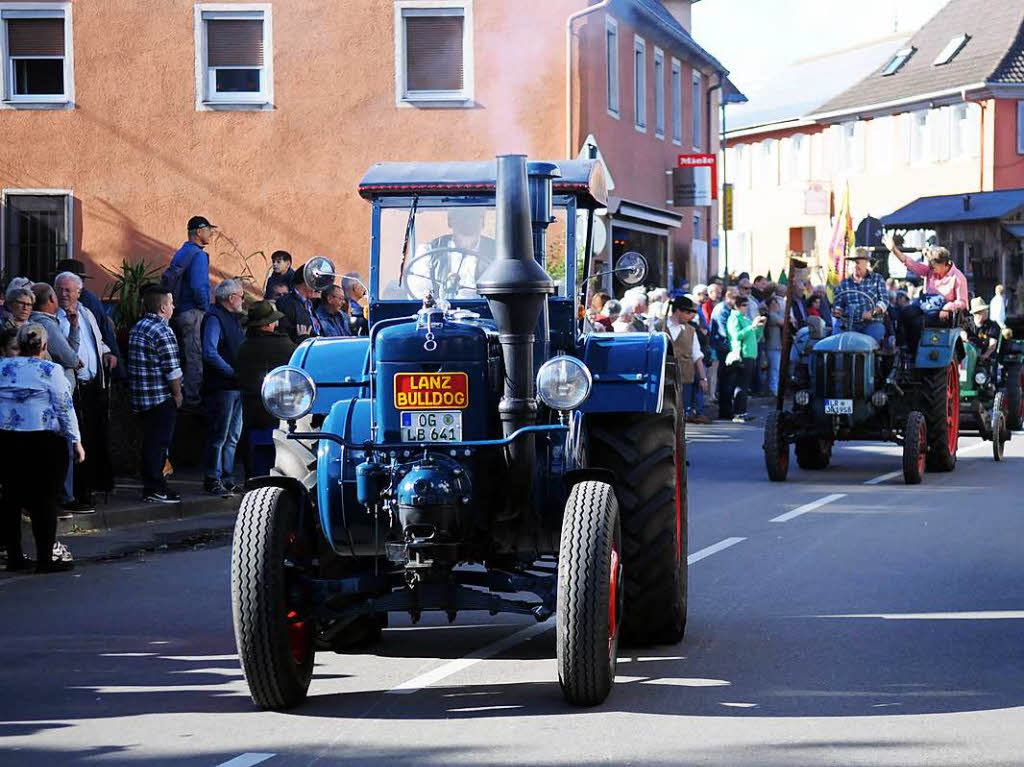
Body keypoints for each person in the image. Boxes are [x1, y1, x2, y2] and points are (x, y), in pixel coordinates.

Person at [0, 323, 82, 573]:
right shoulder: (51, 370)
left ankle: (14, 556)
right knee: (45, 500)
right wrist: (76, 440)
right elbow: (64, 408)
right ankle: (45, 557)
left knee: (11, 498)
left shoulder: (3, 367)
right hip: (45, 440)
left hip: (8, 439)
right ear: (44, 346)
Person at [55, 271, 116, 513]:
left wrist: (108, 352)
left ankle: (91, 488)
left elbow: (97, 341)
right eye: (60, 289)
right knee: (76, 442)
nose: (64, 295)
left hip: (94, 386)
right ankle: (79, 494)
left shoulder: (87, 313)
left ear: (79, 292)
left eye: (69, 290)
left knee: (94, 438)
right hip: (73, 389)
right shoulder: (56, 318)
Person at [128, 287, 184, 504]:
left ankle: (152, 486)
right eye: (170, 303)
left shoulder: (138, 327)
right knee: (158, 444)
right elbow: (172, 369)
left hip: (141, 397)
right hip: (160, 397)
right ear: (162, 307)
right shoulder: (162, 330)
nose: (173, 307)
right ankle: (155, 487)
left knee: (150, 443)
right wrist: (178, 394)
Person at [235, 301, 296, 477]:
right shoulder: (285, 345)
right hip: (281, 413)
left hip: (251, 413)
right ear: (269, 324)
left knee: (252, 455)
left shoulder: (243, 347)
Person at [164, 216, 216, 409]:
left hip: (178, 311)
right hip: (192, 311)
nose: (211, 234)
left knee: (184, 355)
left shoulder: (182, 252)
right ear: (199, 231)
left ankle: (182, 393)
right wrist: (206, 308)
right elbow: (198, 286)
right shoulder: (199, 255)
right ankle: (192, 401)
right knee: (194, 356)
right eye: (209, 230)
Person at [201, 279, 246, 496]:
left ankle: (227, 477)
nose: (243, 300)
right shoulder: (214, 317)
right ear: (230, 298)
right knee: (219, 435)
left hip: (236, 385)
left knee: (232, 435)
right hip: (223, 386)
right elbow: (210, 352)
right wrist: (231, 372)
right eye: (241, 295)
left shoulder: (232, 318)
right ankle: (213, 477)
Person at [886, 236, 968, 353]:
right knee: (904, 313)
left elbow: (963, 302)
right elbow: (911, 264)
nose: (931, 269)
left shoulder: (958, 277)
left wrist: (948, 307)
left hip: (943, 315)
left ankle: (915, 353)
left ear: (944, 264)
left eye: (933, 267)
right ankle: (902, 347)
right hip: (927, 308)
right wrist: (894, 250)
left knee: (917, 323)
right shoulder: (930, 270)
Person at [410, 208, 497, 300]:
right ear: (450, 220)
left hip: (487, 313)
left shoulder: (498, 253)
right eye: (461, 215)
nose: (467, 220)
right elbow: (419, 294)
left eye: (473, 215)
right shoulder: (428, 252)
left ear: (483, 220)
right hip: (442, 312)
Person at [665, 296, 710, 424]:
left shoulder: (691, 331)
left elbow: (697, 356)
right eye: (688, 313)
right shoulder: (659, 327)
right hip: (664, 377)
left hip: (685, 378)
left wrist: (703, 378)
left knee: (682, 414)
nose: (691, 316)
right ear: (678, 311)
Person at [30, 283, 80, 390]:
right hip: (54, 392)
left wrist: (73, 326)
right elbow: (70, 360)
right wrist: (75, 361)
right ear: (52, 298)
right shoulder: (47, 324)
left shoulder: (39, 320)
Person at [832, 249, 889, 342]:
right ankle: (836, 355)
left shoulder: (877, 279)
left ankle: (870, 355)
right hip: (849, 324)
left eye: (858, 262)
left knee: (873, 337)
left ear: (866, 262)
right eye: (853, 262)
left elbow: (884, 301)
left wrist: (872, 312)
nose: (855, 265)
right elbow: (838, 304)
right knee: (837, 339)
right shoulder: (844, 283)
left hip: (871, 323)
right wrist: (838, 311)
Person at [727, 294, 766, 423]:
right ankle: (738, 413)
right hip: (742, 355)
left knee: (745, 385)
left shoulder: (745, 319)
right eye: (743, 305)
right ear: (736, 306)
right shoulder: (734, 319)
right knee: (741, 385)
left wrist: (760, 327)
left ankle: (742, 411)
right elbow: (736, 336)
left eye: (746, 305)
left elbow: (755, 336)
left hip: (750, 355)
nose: (746, 308)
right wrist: (752, 327)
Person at [276, 263, 323, 344]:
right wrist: (303, 339)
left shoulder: (310, 304)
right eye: (315, 283)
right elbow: (284, 334)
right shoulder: (287, 303)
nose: (318, 288)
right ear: (305, 282)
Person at [710, 287, 738, 419]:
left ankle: (727, 409)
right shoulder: (722, 310)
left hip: (725, 347)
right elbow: (723, 332)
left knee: (728, 381)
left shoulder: (727, 309)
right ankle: (725, 411)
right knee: (725, 381)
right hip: (723, 349)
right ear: (729, 297)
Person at [964, 297, 1001, 365]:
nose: (986, 312)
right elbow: (963, 336)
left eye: (986, 310)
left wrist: (984, 355)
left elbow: (992, 345)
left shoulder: (993, 325)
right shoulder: (966, 322)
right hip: (968, 357)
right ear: (976, 314)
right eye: (983, 311)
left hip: (985, 359)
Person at [765, 288, 786, 396]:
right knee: (774, 369)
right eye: (773, 304)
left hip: (778, 346)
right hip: (772, 346)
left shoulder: (777, 314)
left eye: (776, 303)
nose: (776, 305)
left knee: (777, 369)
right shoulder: (771, 315)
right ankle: (773, 390)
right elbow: (783, 322)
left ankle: (775, 389)